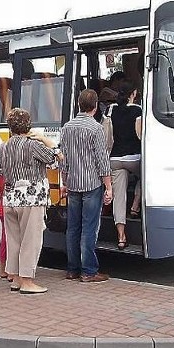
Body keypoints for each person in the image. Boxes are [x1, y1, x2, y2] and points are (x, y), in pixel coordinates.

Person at [0, 108, 60, 294]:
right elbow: (56, 160)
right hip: (31, 199)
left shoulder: (3, 147)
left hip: (10, 198)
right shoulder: (33, 145)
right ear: (28, 125)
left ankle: (15, 278)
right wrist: (47, 141)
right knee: (30, 240)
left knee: (14, 240)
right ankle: (27, 281)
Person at [60, 89, 112, 283]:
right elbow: (102, 160)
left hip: (73, 183)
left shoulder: (67, 127)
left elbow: (62, 159)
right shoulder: (96, 129)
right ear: (96, 106)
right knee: (89, 228)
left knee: (73, 228)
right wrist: (108, 186)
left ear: (79, 105)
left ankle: (72, 269)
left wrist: (64, 182)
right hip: (91, 184)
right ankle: (89, 271)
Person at [109, 80, 142, 250]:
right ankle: (136, 205)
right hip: (132, 157)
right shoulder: (137, 110)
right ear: (133, 93)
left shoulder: (111, 110)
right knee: (147, 175)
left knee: (118, 196)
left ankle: (121, 236)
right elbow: (140, 136)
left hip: (114, 158)